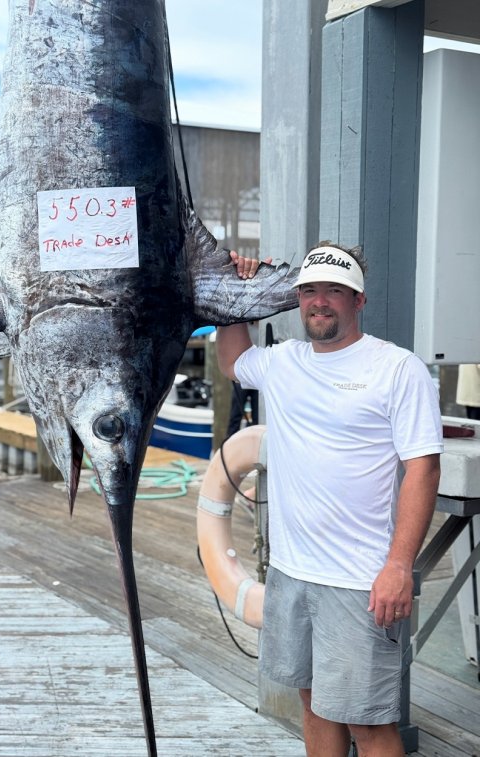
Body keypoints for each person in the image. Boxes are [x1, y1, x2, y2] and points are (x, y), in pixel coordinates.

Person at [218, 242, 443, 757]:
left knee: (368, 724)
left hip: (359, 580)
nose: (320, 302)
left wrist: (398, 567)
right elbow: (233, 360)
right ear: (299, 299)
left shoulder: (397, 368)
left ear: (358, 301)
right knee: (313, 701)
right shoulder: (284, 363)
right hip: (292, 572)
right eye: (311, 290)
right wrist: (235, 285)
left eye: (335, 291)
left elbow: (423, 469)